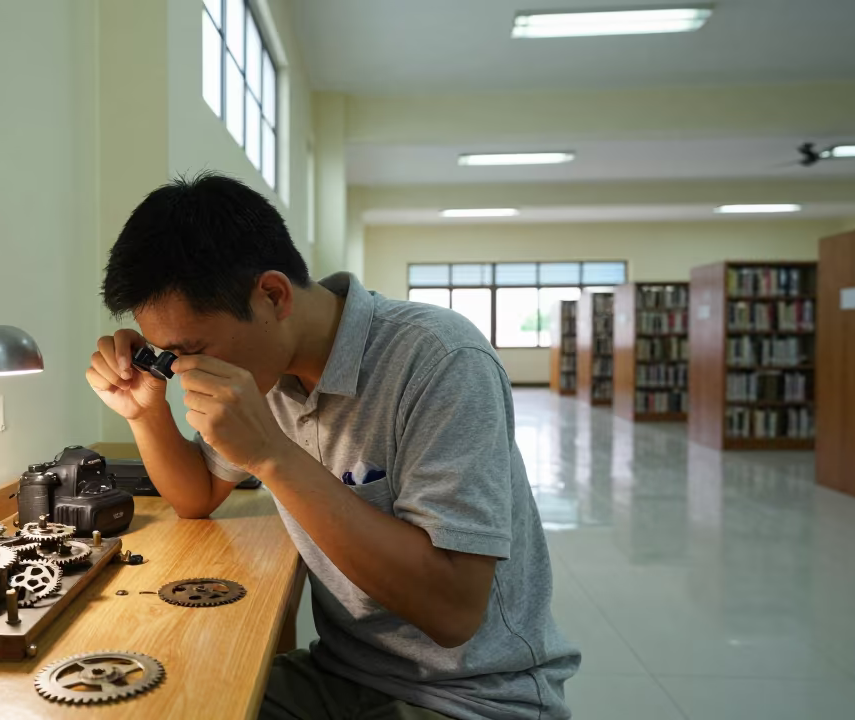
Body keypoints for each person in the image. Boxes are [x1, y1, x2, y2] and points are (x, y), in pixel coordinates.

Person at [87, 173, 580, 720]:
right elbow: (198, 496)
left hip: (474, 695)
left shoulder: (440, 359)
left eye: (191, 349)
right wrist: (145, 409)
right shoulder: (266, 370)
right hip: (343, 673)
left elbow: (453, 611)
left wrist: (272, 454)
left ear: (272, 295)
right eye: (168, 354)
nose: (183, 370)